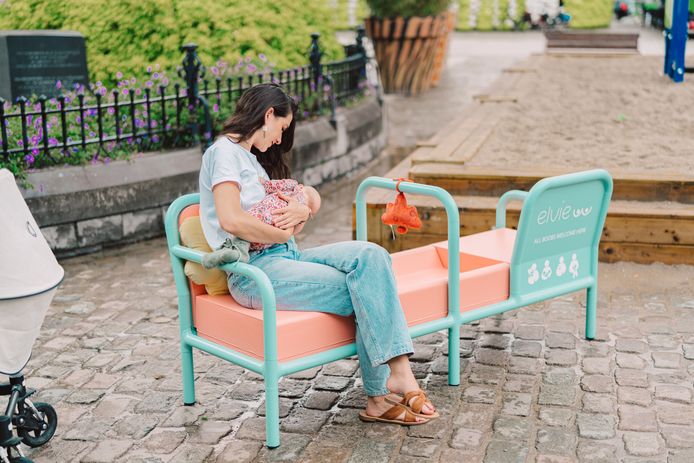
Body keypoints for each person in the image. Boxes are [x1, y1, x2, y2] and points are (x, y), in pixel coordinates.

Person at [198, 83, 437, 425]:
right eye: (281, 128)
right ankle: (390, 385)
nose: (280, 140)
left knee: (372, 257)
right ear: (268, 115)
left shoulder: (251, 159)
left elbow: (299, 200)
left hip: (288, 256)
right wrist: (283, 229)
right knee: (366, 288)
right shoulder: (223, 153)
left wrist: (302, 210)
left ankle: (388, 386)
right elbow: (231, 219)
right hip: (255, 271)